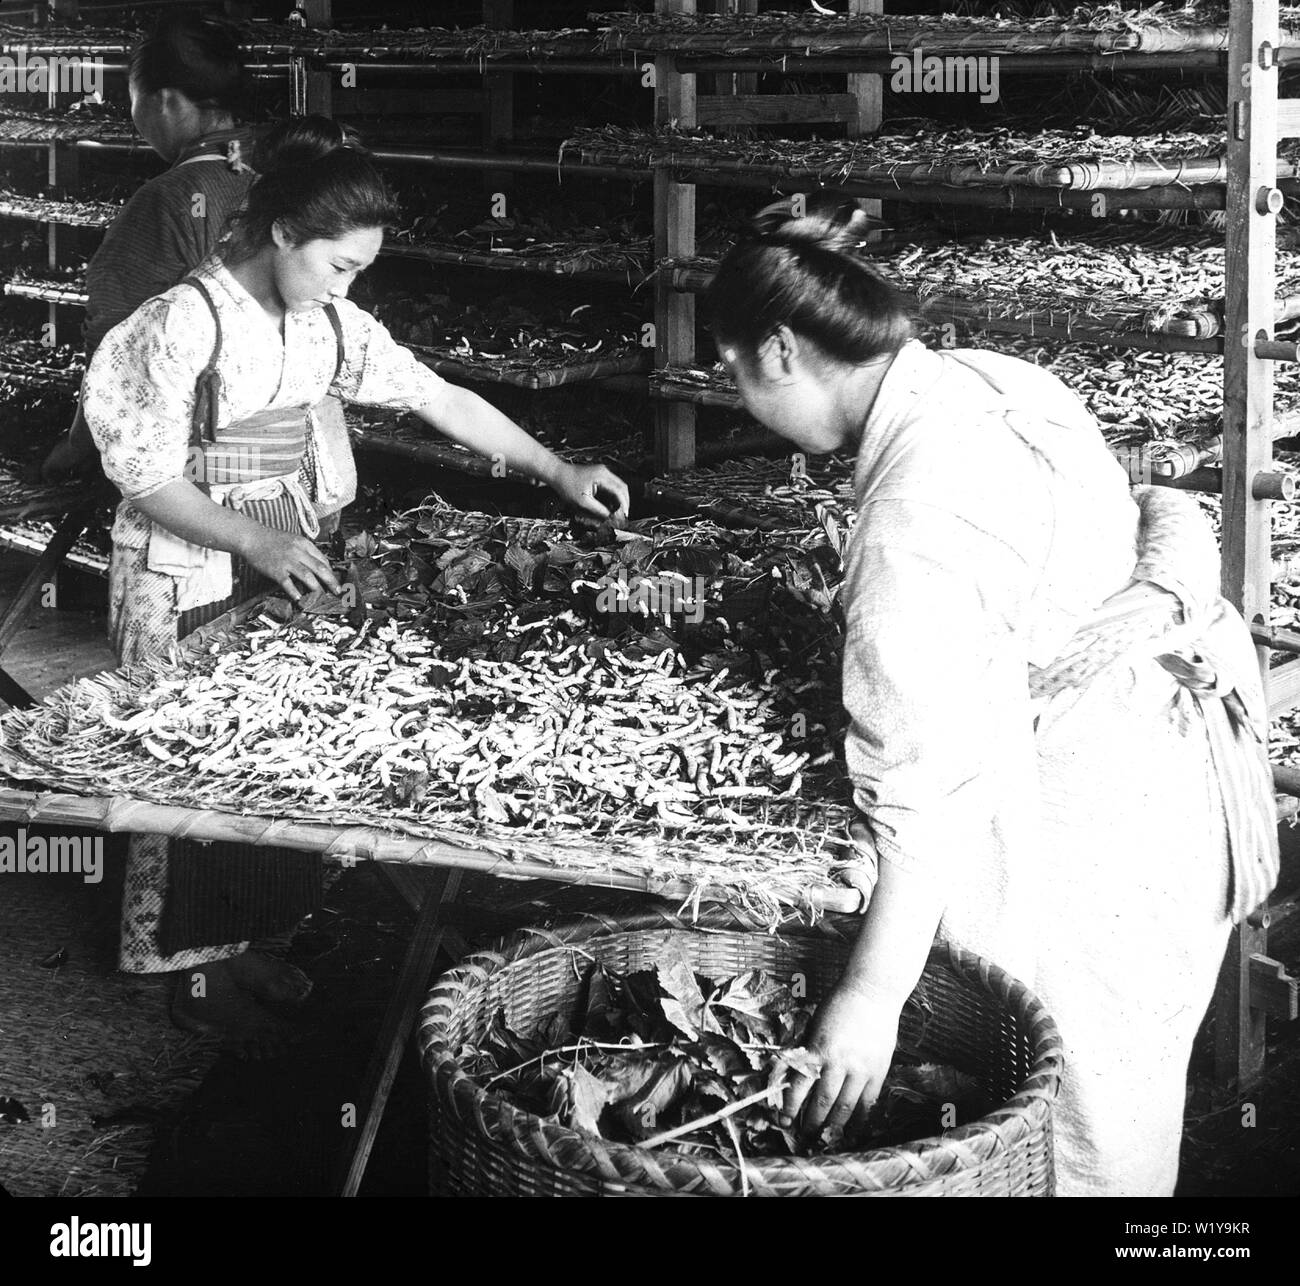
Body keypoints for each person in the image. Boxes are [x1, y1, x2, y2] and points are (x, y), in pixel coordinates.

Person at [702, 201, 1279, 1197]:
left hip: (1088, 840)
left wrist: (869, 997)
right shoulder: (990, 377)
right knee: (1118, 1106)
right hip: (1174, 788)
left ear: (783, 351)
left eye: (732, 370)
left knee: (1072, 1135)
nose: (735, 394)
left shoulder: (910, 523)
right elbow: (1112, 520)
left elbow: (924, 801)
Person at [81, 115, 631, 1058]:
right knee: (189, 766)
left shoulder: (329, 323)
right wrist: (253, 539)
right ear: (284, 233)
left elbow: (437, 396)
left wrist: (555, 468)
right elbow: (142, 473)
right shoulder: (181, 323)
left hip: (281, 543)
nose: (348, 285)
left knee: (271, 755)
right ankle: (191, 976)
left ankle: (246, 938)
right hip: (189, 562)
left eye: (359, 273)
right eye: (339, 264)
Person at [42, 11, 256, 483]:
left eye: (133, 101)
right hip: (280, 448)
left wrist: (77, 446)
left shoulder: (167, 198)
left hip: (192, 448)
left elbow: (114, 342)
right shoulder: (282, 171)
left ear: (163, 101)